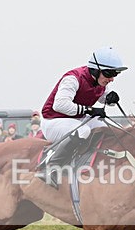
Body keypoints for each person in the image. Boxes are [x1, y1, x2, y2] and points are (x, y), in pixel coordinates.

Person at [36, 46, 126, 186]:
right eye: (109, 74)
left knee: (114, 129)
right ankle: (50, 167)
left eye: (115, 75)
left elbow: (102, 97)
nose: (112, 79)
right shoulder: (73, 79)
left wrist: (110, 99)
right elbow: (59, 105)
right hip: (54, 120)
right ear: (96, 70)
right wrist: (89, 110)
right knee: (83, 131)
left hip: (77, 119)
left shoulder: (100, 81)